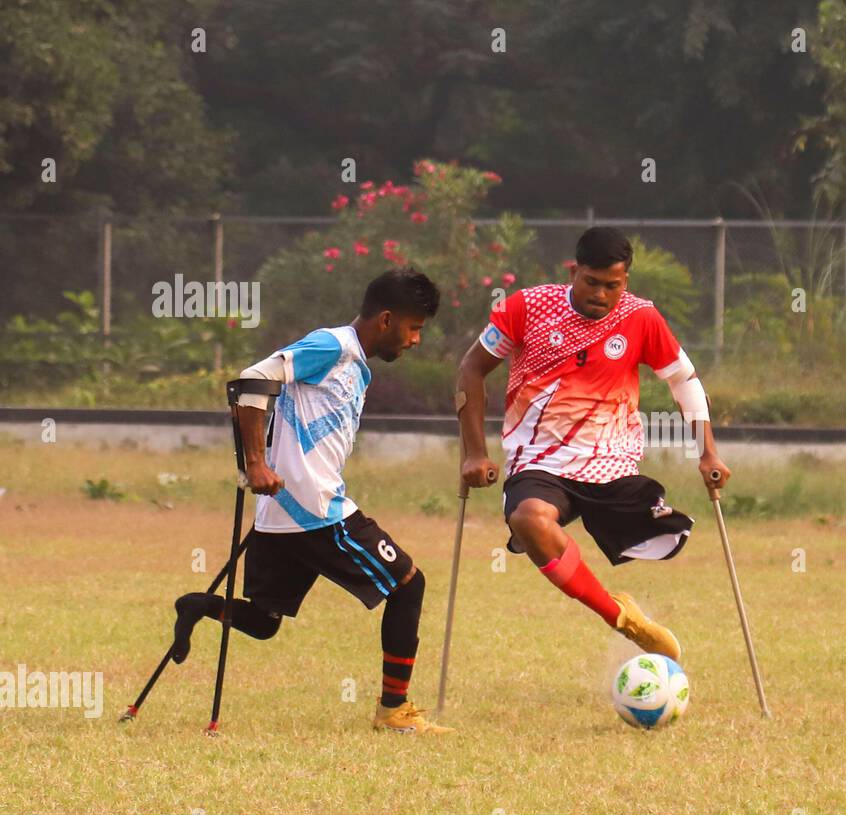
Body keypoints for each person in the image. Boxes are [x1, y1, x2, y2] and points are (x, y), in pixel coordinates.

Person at [170, 268, 451, 735]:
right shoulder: (333, 345)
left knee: (263, 622)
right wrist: (255, 463)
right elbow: (251, 380)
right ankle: (394, 711)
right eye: (414, 327)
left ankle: (198, 605)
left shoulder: (354, 362)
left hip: (280, 513)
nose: (416, 339)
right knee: (408, 585)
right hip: (316, 511)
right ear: (386, 319)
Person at [455, 227, 730, 661]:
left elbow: (684, 381)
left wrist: (708, 452)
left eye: (612, 286)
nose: (601, 294)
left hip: (612, 467)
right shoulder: (526, 307)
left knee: (665, 533)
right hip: (541, 462)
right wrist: (474, 452)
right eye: (592, 282)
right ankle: (623, 619)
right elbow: (472, 368)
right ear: (574, 271)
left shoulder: (642, 318)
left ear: (626, 282)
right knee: (528, 521)